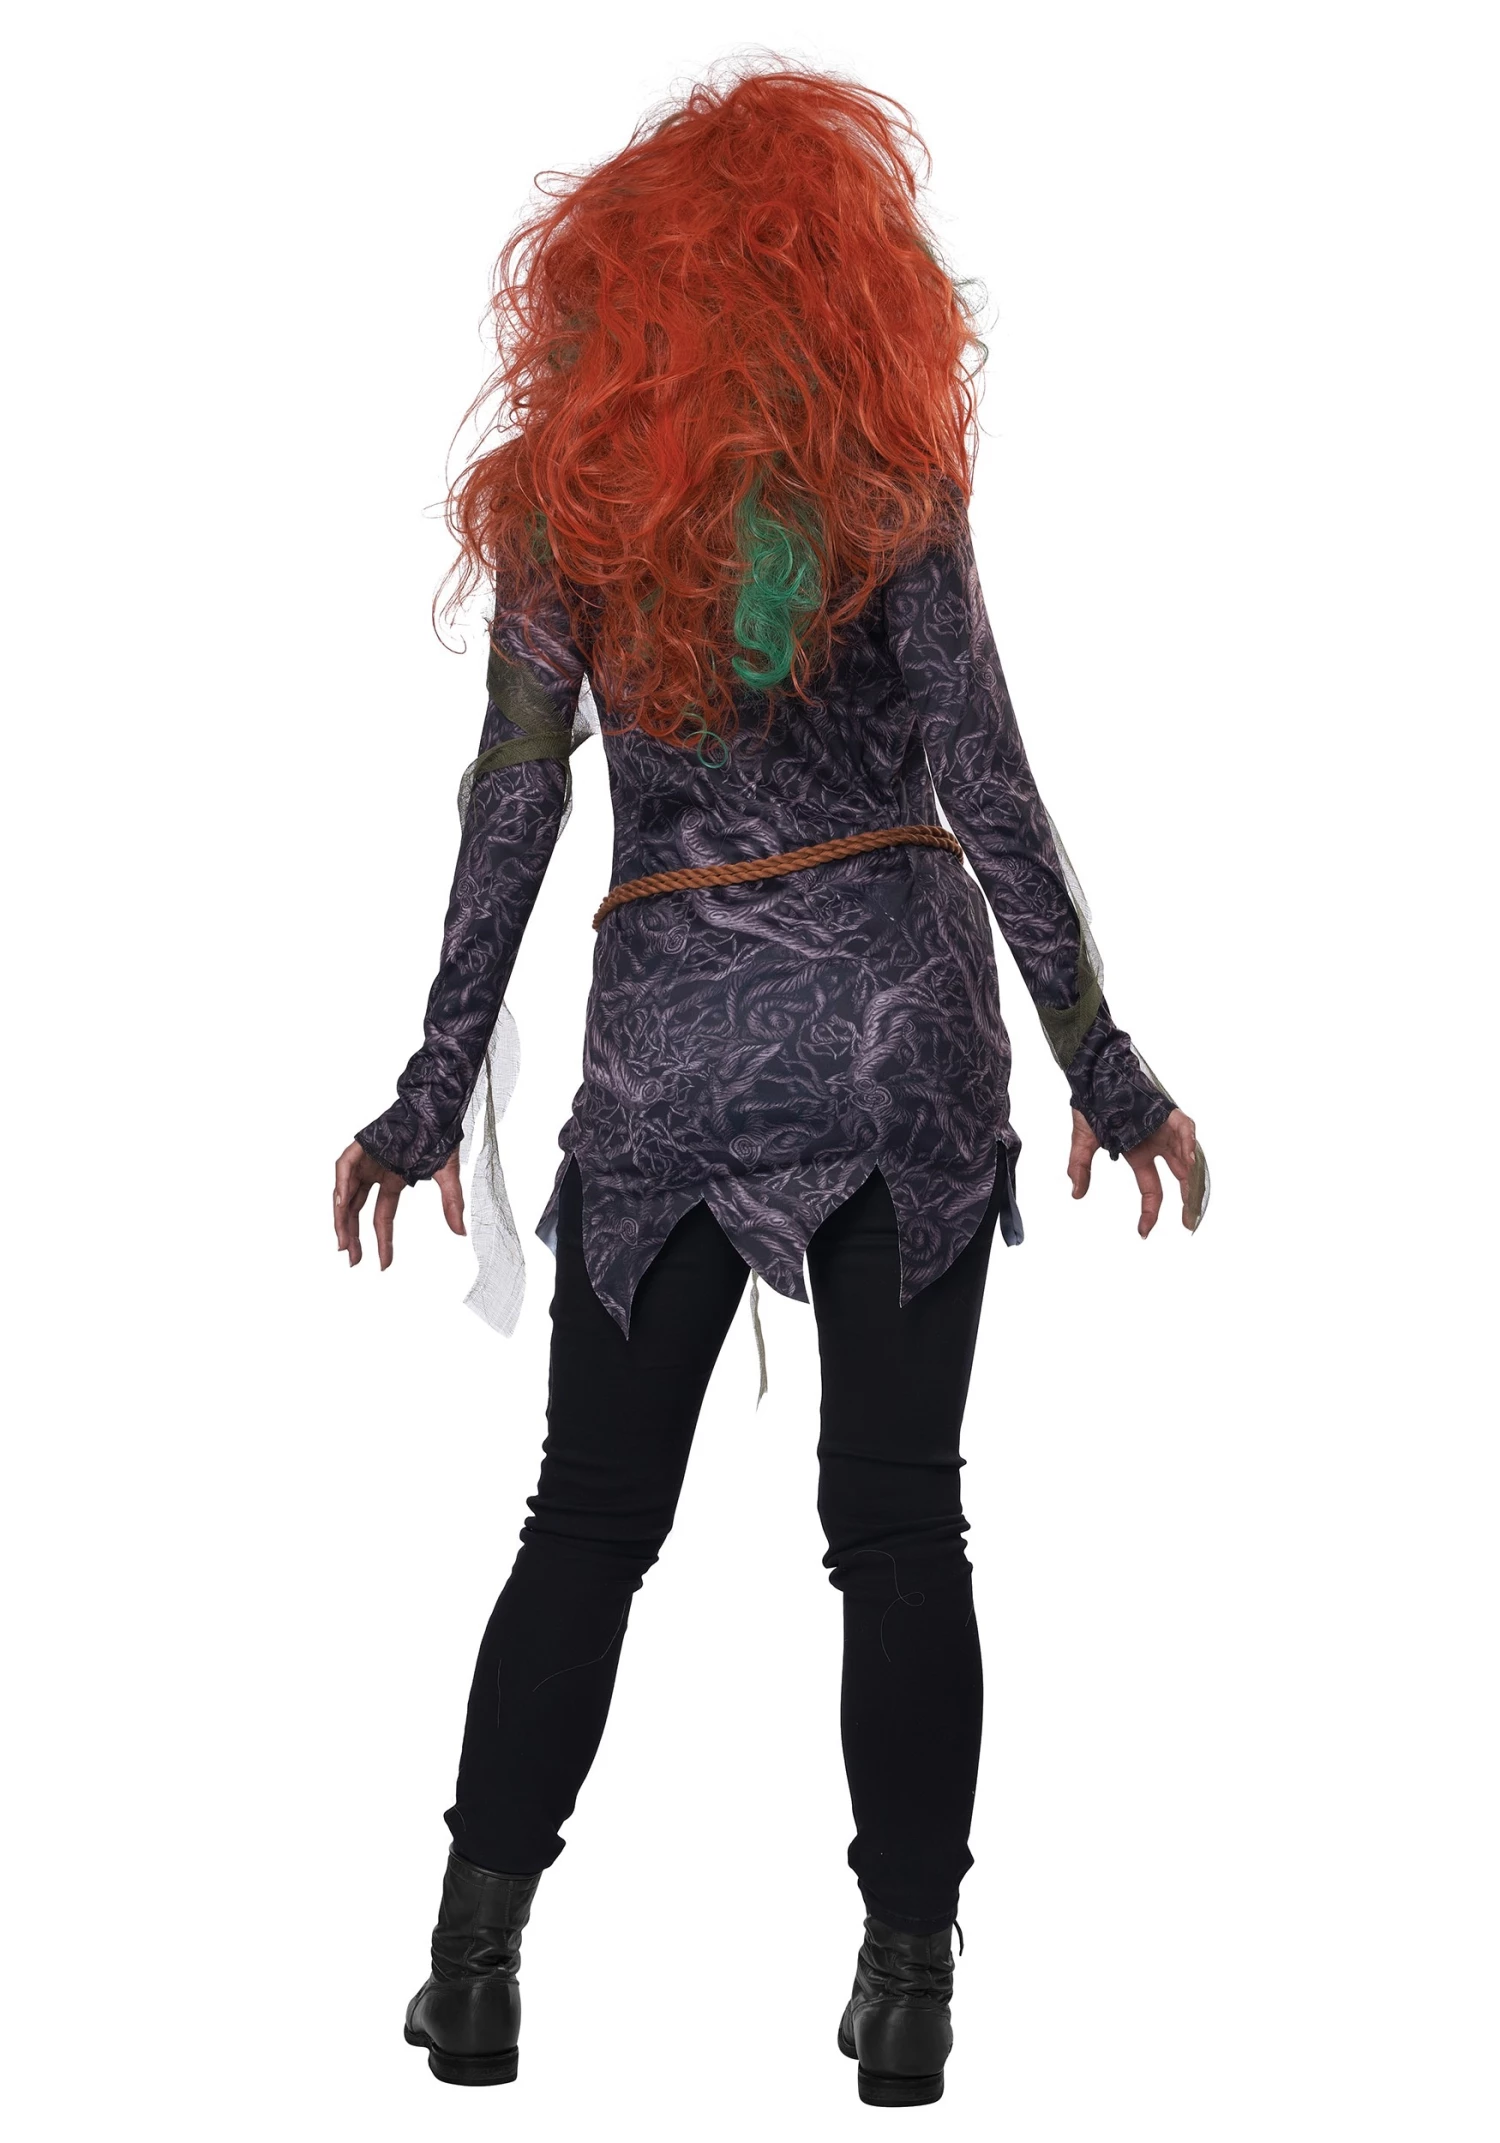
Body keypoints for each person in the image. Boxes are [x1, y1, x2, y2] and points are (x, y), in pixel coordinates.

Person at [333, 62, 1204, 2107]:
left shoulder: (568, 504)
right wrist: (1102, 1061)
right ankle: (907, 1989)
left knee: (586, 1521)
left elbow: (512, 810)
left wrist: (429, 1085)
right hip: (900, 1031)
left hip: (672, 1048)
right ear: (838, 272)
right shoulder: (885, 485)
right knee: (898, 1527)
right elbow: (990, 789)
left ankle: (474, 1968)